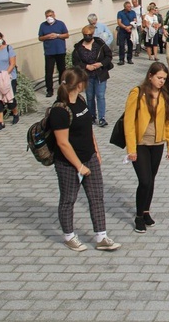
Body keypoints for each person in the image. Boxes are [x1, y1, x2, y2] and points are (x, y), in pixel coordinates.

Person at [50, 67, 121, 252]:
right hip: (68, 163)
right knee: (68, 199)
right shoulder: (59, 110)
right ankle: (69, 236)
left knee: (97, 197)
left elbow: (88, 129)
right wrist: (79, 166)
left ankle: (101, 237)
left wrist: (96, 151)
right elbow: (63, 143)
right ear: (79, 84)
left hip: (89, 157)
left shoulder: (80, 101)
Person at [123, 62, 169, 233]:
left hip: (157, 143)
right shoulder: (137, 93)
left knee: (151, 180)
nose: (162, 81)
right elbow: (129, 122)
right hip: (140, 143)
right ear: (150, 76)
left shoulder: (164, 95)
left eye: (164, 79)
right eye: (159, 78)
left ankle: (146, 211)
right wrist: (131, 149)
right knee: (144, 181)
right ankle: (138, 216)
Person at [72, 25, 113, 128]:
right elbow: (75, 62)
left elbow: (109, 56)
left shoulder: (100, 44)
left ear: (92, 34)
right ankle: (91, 116)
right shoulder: (78, 47)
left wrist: (100, 64)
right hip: (87, 75)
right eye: (85, 35)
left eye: (89, 35)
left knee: (100, 96)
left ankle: (102, 117)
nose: (87, 37)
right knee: (90, 97)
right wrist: (86, 66)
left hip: (100, 74)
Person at [38, 9, 69, 97]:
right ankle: (49, 90)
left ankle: (62, 88)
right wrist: (47, 36)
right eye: (47, 16)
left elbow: (66, 35)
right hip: (49, 52)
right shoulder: (43, 25)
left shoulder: (60, 24)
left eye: (50, 15)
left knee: (62, 70)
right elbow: (40, 38)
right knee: (49, 71)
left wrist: (57, 35)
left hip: (60, 51)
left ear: (54, 15)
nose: (49, 17)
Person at [116, 1, 137, 65]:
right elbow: (119, 22)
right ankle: (121, 59)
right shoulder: (120, 13)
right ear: (125, 7)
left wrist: (130, 27)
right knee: (121, 45)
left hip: (130, 31)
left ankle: (129, 58)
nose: (130, 8)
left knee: (130, 45)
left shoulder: (133, 12)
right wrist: (125, 27)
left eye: (130, 6)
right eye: (128, 7)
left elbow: (135, 21)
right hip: (122, 31)